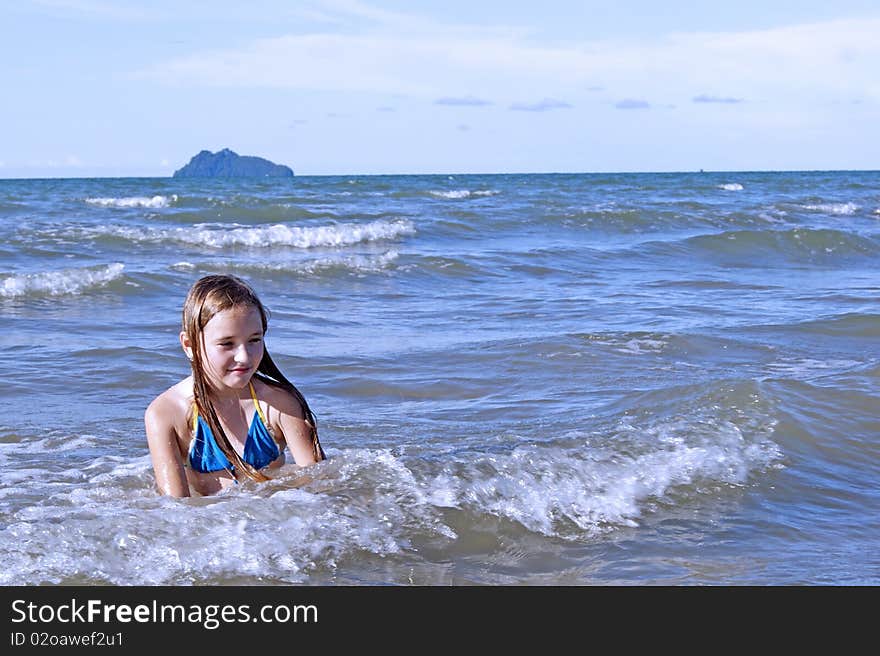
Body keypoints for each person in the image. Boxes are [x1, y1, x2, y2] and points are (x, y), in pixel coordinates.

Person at [145, 274, 325, 497]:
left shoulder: (279, 404)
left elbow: (318, 486)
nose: (244, 357)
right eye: (227, 343)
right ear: (189, 345)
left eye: (254, 340)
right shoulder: (165, 413)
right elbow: (175, 507)